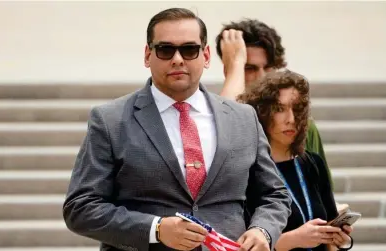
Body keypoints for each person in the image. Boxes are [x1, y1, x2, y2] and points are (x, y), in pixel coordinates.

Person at [63, 8, 291, 251]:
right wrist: (156, 229)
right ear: (147, 55)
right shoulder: (110, 120)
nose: (178, 59)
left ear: (205, 55)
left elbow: (275, 195)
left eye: (189, 49)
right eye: (165, 49)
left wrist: (263, 230)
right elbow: (81, 207)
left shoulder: (242, 117)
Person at [237, 70, 354, 251]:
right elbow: (242, 244)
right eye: (280, 109)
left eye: (297, 109)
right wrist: (293, 239)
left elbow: (330, 230)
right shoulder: (248, 171)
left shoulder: (312, 163)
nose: (291, 119)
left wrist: (339, 238)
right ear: (262, 113)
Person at [215, 19, 332, 187]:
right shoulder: (221, 114)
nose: (263, 77)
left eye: (269, 67)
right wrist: (235, 64)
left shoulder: (300, 123)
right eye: (249, 68)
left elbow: (323, 190)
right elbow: (228, 121)